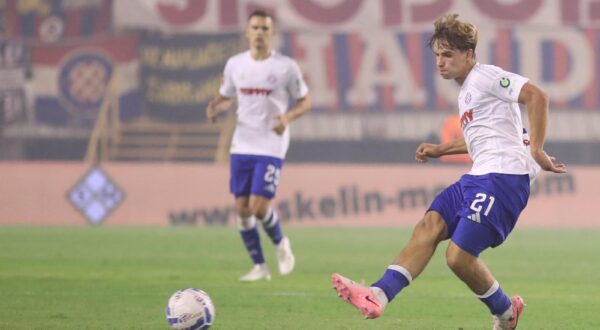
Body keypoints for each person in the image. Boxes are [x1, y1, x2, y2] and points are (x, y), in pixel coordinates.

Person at [331, 13, 567, 329]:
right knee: (429, 224)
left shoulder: (485, 77)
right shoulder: (467, 90)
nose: (441, 62)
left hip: (503, 179)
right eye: (438, 55)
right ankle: (378, 293)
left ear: (469, 55)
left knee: (458, 257)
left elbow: (537, 96)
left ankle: (507, 314)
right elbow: (483, 136)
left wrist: (537, 150)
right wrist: (440, 149)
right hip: (479, 176)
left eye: (448, 55)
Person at [206, 9, 311, 282]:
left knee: (258, 207)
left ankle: (281, 244)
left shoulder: (286, 67)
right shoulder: (235, 65)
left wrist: (287, 117)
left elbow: (305, 101)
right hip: (242, 142)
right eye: (256, 27)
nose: (260, 33)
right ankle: (259, 267)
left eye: (265, 28)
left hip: (271, 143)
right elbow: (227, 96)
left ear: (272, 33)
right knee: (241, 209)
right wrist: (218, 106)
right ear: (247, 32)